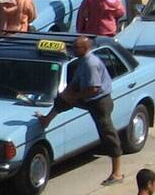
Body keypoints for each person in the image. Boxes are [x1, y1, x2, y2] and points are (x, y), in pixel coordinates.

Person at [38, 36, 123, 185]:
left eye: (76, 47)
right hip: (87, 98)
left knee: (107, 133)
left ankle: (117, 173)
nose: (73, 50)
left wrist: (74, 97)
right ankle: (46, 120)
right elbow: (75, 82)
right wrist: (65, 95)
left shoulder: (91, 64)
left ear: (85, 48)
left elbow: (94, 89)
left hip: (99, 102)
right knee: (61, 100)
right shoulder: (82, 62)